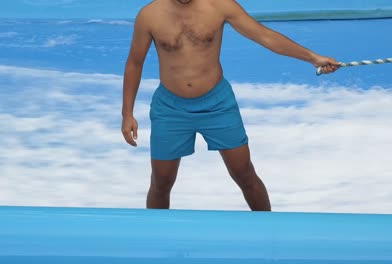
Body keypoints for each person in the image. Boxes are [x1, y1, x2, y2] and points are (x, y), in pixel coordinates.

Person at [121, 0, 340, 211]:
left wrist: (313, 57)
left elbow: (265, 36)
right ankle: (159, 239)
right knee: (161, 182)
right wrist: (127, 114)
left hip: (217, 105)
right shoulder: (149, 15)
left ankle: (269, 234)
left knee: (244, 174)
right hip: (170, 109)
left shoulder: (220, 5)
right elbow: (135, 62)